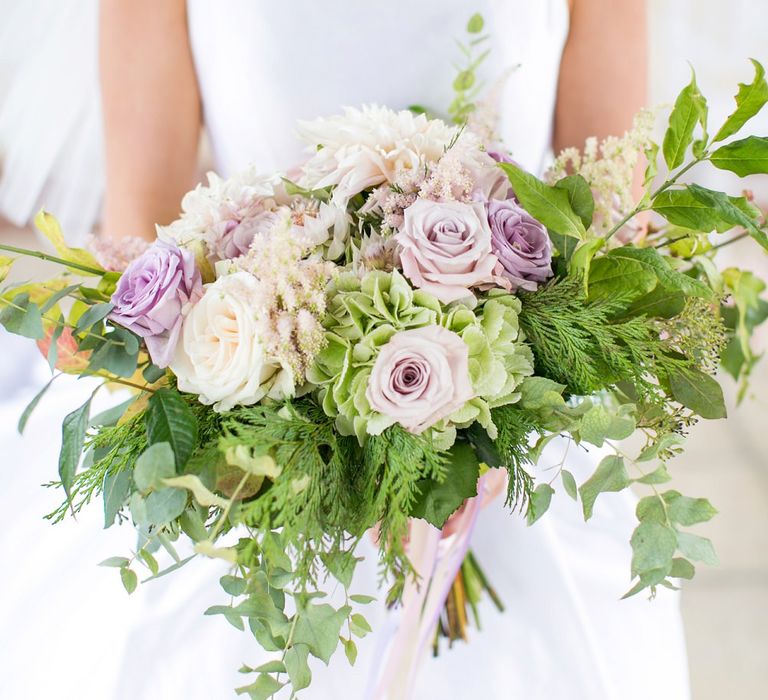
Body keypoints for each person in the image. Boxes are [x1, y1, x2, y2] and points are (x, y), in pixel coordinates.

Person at [0, 1, 690, 698]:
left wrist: (488, 420)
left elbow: (607, 226)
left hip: (511, 431)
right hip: (258, 431)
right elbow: (149, 242)